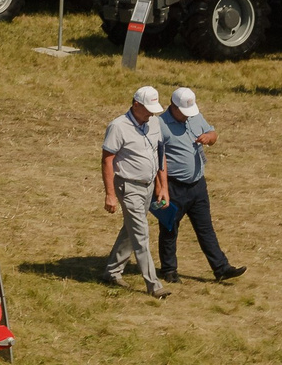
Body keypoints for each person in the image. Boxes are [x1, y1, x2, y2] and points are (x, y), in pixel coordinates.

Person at [153, 87, 242, 282]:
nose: (187, 117)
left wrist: (210, 138)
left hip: (197, 185)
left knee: (205, 228)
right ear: (173, 106)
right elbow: (158, 158)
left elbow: (212, 133)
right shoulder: (159, 125)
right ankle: (168, 270)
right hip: (173, 187)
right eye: (183, 113)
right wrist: (161, 187)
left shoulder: (194, 116)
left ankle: (221, 268)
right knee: (169, 229)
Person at [99, 87, 171, 296]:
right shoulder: (118, 127)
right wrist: (110, 194)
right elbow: (107, 160)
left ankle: (112, 272)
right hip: (128, 187)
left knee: (131, 229)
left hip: (148, 186)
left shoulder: (155, 122)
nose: (152, 114)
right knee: (141, 233)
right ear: (136, 104)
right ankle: (154, 285)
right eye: (148, 109)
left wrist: (163, 186)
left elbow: (160, 154)